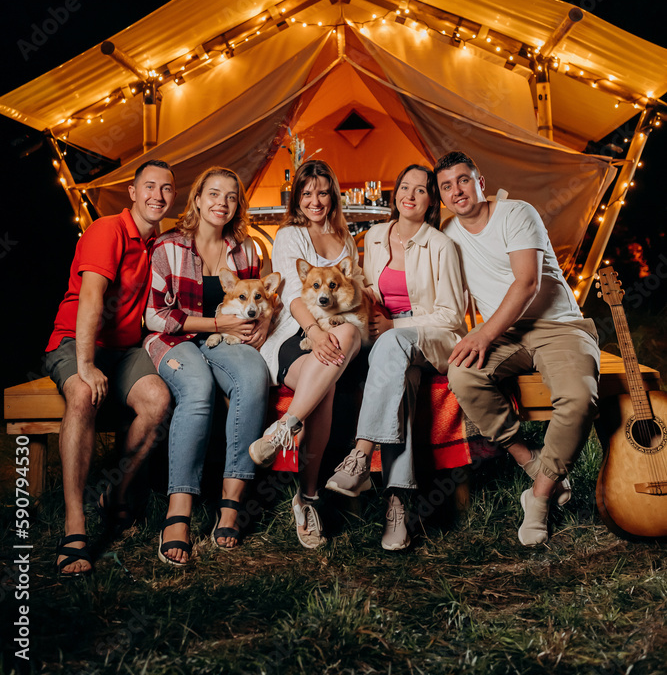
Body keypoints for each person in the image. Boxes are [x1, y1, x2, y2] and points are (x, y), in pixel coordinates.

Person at [435, 151, 600, 546]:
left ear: (481, 182)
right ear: (440, 195)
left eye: (463, 180)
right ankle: (530, 462)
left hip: (557, 324)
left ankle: (540, 496)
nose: (457, 190)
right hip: (506, 335)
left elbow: (526, 283)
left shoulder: (516, 213)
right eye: (446, 185)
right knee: (461, 373)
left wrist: (482, 335)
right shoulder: (449, 234)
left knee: (579, 398)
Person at [324, 164, 469, 550]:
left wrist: (396, 328)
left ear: (431, 201)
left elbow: (452, 315)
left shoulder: (440, 245)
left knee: (392, 347)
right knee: (400, 380)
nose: (411, 195)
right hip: (384, 336)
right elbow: (366, 283)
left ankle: (360, 455)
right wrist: (368, 300)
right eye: (405, 187)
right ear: (395, 195)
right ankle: (397, 506)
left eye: (421, 190)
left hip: (432, 337)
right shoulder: (372, 236)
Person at [45, 160, 177, 578]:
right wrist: (85, 365)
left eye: (167, 189)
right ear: (132, 193)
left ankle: (114, 495)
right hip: (75, 340)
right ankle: (75, 526)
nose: (158, 195)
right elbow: (91, 299)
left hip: (124, 349)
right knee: (82, 394)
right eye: (149, 187)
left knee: (158, 401)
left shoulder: (158, 241)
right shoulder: (108, 229)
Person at [144, 166, 271, 565]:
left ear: (238, 205)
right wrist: (217, 323)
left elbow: (266, 295)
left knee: (253, 377)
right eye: (213, 194)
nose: (222, 203)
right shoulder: (169, 247)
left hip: (226, 340)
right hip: (174, 338)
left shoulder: (246, 249)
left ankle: (232, 502)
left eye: (231, 197)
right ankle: (179, 508)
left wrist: (263, 321)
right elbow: (155, 316)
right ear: (197, 199)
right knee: (197, 389)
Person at [250, 159, 363, 549]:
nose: (315, 200)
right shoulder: (289, 236)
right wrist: (314, 331)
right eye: (307, 192)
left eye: (322, 191)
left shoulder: (345, 240)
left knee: (345, 331)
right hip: (295, 334)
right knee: (326, 383)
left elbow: (353, 295)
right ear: (296, 197)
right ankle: (309, 497)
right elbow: (295, 297)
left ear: (333, 193)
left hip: (341, 331)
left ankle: (284, 429)